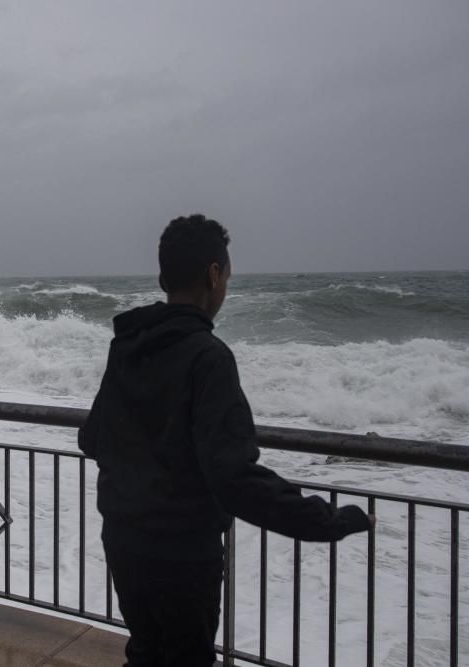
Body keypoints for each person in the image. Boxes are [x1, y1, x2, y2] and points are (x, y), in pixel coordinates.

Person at [79, 214, 373, 667]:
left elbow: (92, 437)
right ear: (214, 274)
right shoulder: (208, 357)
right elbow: (232, 476)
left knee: (145, 653)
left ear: (163, 277)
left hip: (122, 539)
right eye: (227, 276)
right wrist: (327, 521)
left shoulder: (127, 346)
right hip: (182, 555)